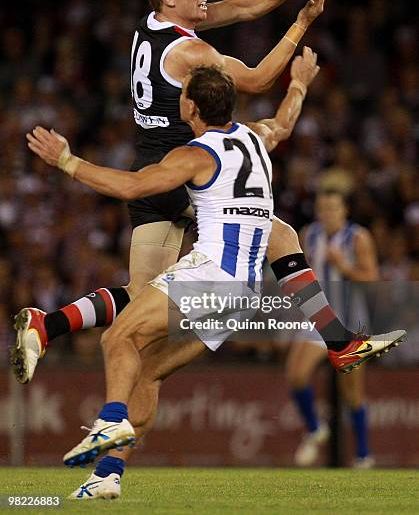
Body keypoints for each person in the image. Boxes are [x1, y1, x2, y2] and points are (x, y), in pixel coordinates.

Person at [26, 65, 405, 499]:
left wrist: (65, 160)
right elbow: (285, 121)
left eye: (183, 94)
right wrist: (298, 82)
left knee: (116, 339)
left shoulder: (195, 155)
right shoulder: (256, 137)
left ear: (190, 106)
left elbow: (132, 187)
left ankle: (109, 423)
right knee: (147, 373)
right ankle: (107, 476)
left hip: (211, 276)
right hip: (243, 296)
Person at [12, 0, 329, 386]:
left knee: (140, 293)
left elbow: (236, 8)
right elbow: (255, 80)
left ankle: (46, 325)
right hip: (185, 172)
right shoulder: (190, 51)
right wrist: (301, 23)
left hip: (151, 168)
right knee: (276, 234)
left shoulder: (154, 25)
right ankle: (338, 338)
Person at [286, 189, 378, 468]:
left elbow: (372, 278)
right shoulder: (308, 234)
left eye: (333, 208)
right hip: (317, 317)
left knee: (352, 392)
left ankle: (363, 454)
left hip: (349, 321)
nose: (327, 214)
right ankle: (315, 429)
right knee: (296, 375)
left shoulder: (358, 238)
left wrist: (344, 267)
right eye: (323, 208)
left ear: (344, 211)